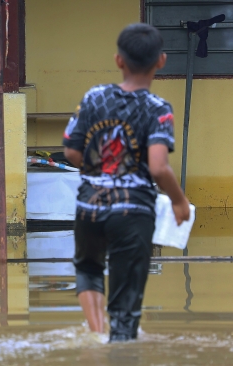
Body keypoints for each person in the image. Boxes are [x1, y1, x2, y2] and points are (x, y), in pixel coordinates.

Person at [63, 23, 191, 342]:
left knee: (89, 270)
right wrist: (179, 200)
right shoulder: (158, 109)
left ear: (119, 60)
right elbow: (159, 168)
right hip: (132, 214)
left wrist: (101, 171)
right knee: (126, 314)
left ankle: (96, 337)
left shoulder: (93, 97)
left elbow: (71, 151)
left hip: (88, 207)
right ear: (161, 61)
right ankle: (118, 345)